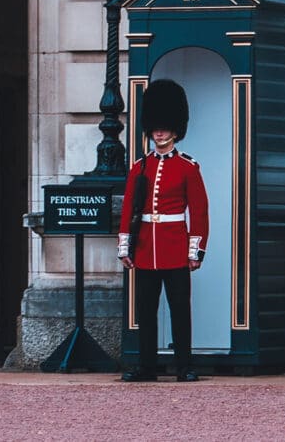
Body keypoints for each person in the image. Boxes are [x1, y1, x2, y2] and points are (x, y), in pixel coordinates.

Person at [117, 79, 209, 383]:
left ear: (175, 130)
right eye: (156, 126)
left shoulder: (187, 167)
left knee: (180, 309)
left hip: (174, 247)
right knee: (146, 311)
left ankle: (185, 365)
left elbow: (198, 211)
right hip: (145, 248)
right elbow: (130, 208)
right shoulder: (139, 167)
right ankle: (147, 366)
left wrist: (195, 250)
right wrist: (125, 246)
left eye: (165, 127)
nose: (159, 132)